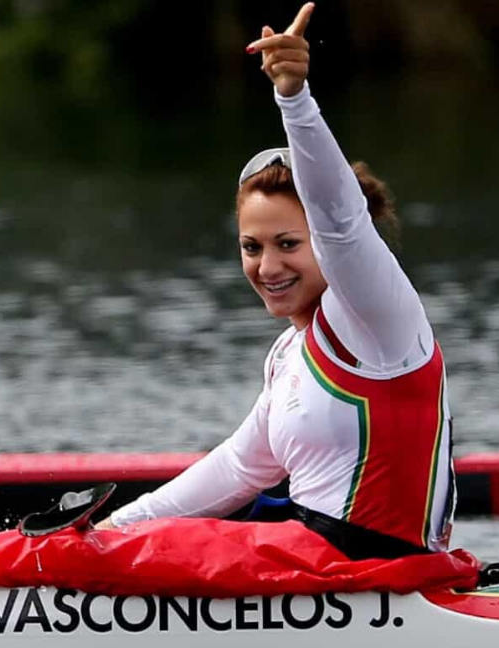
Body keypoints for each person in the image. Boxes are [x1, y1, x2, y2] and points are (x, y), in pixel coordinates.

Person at [96, 3, 456, 560]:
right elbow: (238, 467)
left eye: (288, 245)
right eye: (251, 247)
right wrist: (109, 530)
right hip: (311, 566)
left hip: (375, 577)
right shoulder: (290, 353)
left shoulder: (376, 317)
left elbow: (340, 221)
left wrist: (294, 98)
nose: (267, 268)